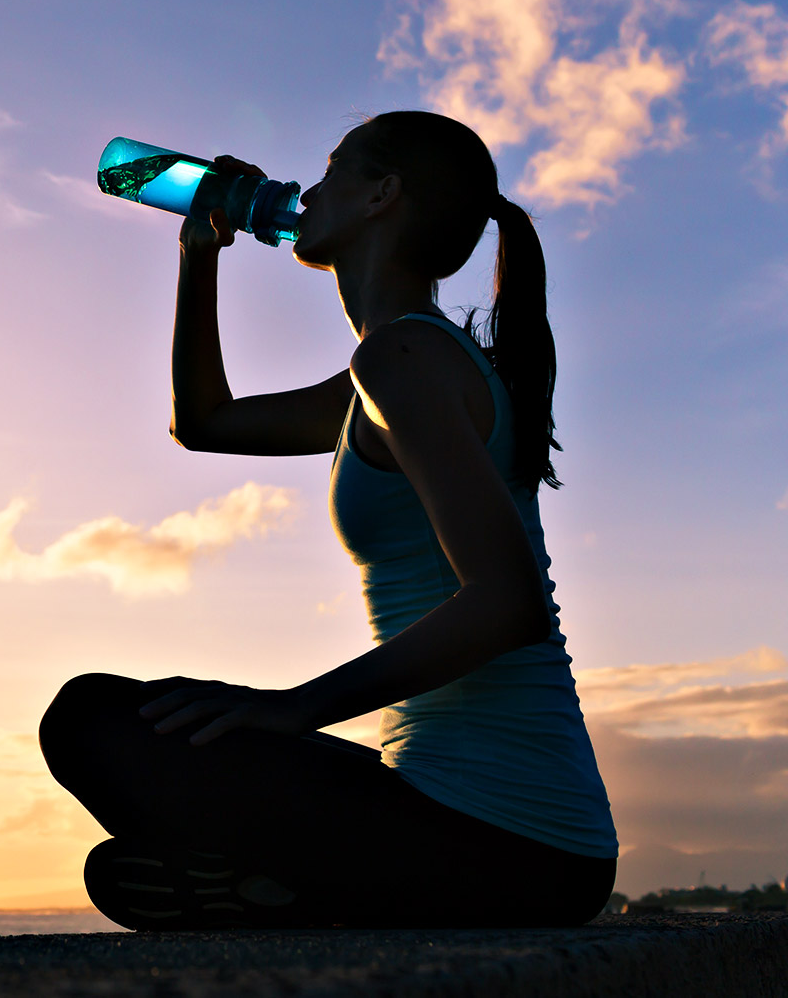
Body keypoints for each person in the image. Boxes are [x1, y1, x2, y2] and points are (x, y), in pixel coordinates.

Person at [40, 111, 616, 928]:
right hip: (480, 826)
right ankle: (287, 887)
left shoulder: (403, 360)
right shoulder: (388, 371)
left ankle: (294, 884)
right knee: (122, 743)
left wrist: (289, 707)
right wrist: (197, 255)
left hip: (512, 839)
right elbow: (206, 421)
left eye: (334, 170)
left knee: (90, 719)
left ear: (383, 196)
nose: (307, 191)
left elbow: (507, 600)